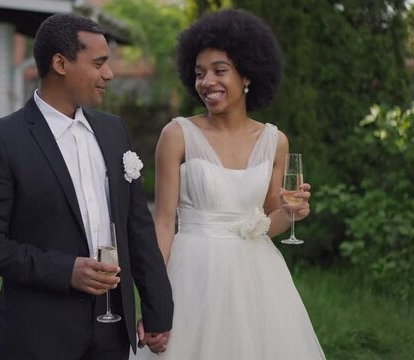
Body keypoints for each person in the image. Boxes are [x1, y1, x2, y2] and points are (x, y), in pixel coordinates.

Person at [0, 13, 173, 360]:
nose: (109, 74)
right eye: (99, 63)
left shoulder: (114, 130)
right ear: (60, 63)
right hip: (38, 332)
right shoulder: (3, 139)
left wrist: (157, 311)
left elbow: (136, 224)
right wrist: (65, 271)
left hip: (111, 328)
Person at [136, 9, 325, 359]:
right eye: (199, 73)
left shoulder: (275, 140)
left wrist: (290, 211)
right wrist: (154, 298)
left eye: (219, 71)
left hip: (257, 279)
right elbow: (163, 222)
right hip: (193, 275)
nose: (207, 82)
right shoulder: (177, 135)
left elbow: (268, 225)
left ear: (247, 76)